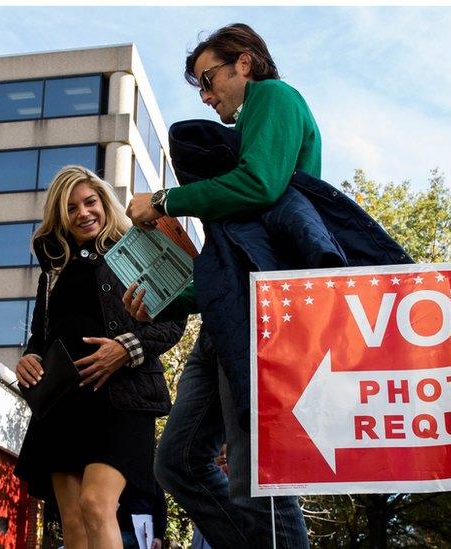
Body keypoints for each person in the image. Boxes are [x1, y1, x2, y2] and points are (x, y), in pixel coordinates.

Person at [124, 23, 319, 548]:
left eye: (209, 80)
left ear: (246, 64)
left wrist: (166, 202)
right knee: (178, 463)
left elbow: (261, 182)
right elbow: (217, 271)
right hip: (224, 314)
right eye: (200, 87)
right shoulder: (232, 196)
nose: (207, 97)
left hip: (259, 314)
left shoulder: (273, 96)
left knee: (255, 471)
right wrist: (159, 303)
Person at [13, 165, 184, 549]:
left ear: (104, 203)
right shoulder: (53, 270)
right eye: (71, 208)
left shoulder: (138, 248)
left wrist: (125, 348)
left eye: (90, 202)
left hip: (122, 399)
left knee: (95, 505)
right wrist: (29, 358)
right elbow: (41, 336)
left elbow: (173, 322)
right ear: (61, 216)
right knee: (72, 523)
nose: (83, 213)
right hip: (63, 403)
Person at [118, 484, 167, 549]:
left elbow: (161, 506)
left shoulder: (152, 478)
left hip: (146, 532)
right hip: (125, 529)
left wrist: (158, 536)